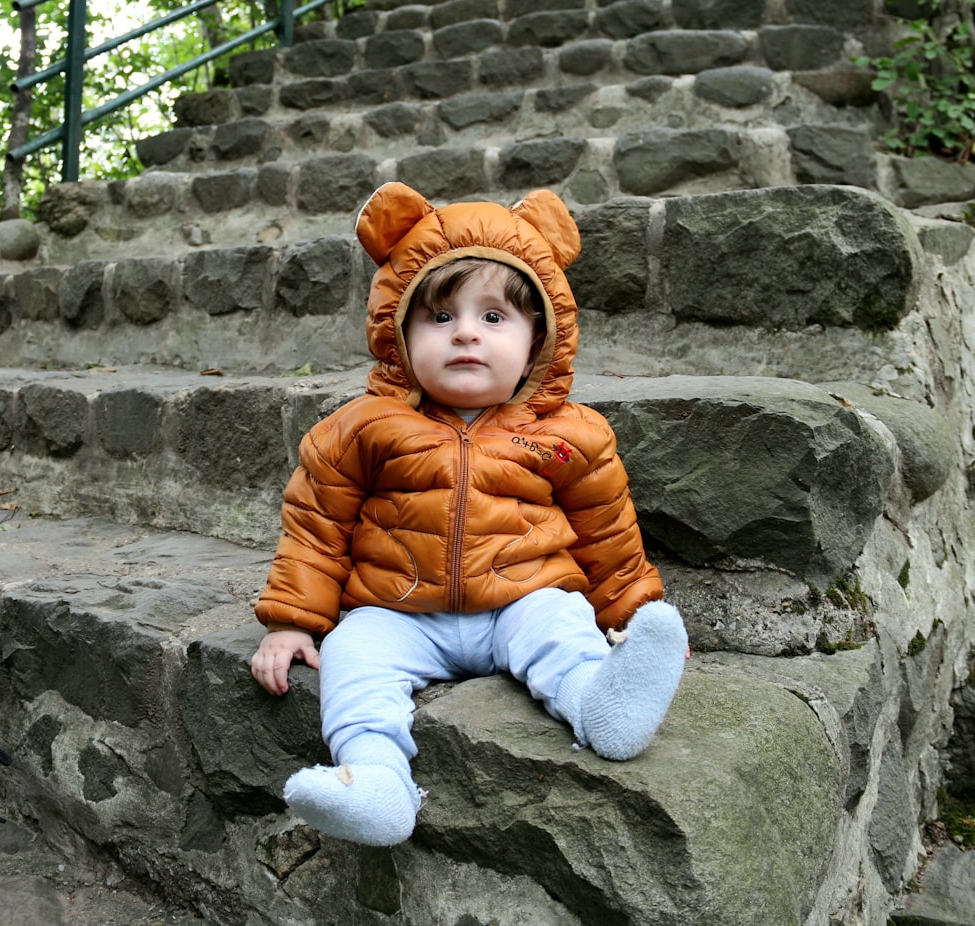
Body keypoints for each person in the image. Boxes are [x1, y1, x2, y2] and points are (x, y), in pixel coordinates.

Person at [250, 182, 688, 848]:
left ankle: (606, 705)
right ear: (398, 331)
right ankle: (375, 779)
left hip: (523, 596)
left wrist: (627, 614)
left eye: (493, 318)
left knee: (563, 629)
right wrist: (290, 621)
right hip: (397, 608)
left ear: (540, 334)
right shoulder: (364, 427)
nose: (464, 334)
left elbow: (607, 532)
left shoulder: (571, 434)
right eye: (439, 316)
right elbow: (317, 524)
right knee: (353, 657)